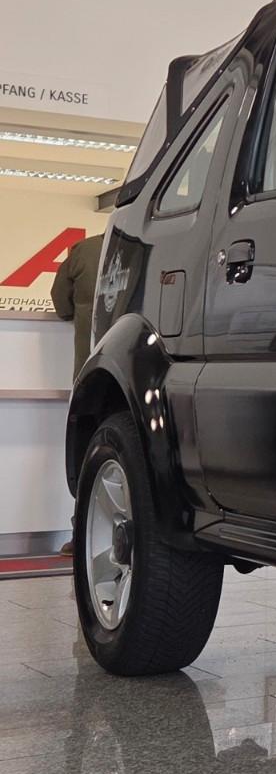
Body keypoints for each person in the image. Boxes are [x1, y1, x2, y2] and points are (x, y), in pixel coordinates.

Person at [51, 231, 103, 558]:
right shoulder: (149, 243)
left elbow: (60, 303)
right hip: (143, 375)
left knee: (88, 459)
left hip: (91, 376)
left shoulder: (82, 252)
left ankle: (81, 536)